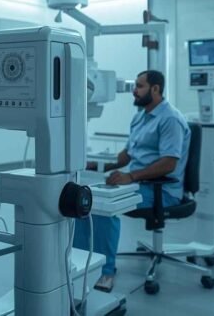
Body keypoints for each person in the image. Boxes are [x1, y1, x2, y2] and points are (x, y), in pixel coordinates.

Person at [74, 70, 191, 293]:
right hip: (139, 184)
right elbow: (126, 156)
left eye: (139, 86)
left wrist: (131, 177)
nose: (133, 91)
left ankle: (105, 272)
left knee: (104, 207)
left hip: (162, 190)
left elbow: (169, 163)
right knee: (83, 201)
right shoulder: (140, 116)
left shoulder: (170, 119)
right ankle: (83, 265)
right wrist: (98, 165)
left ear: (155, 89)